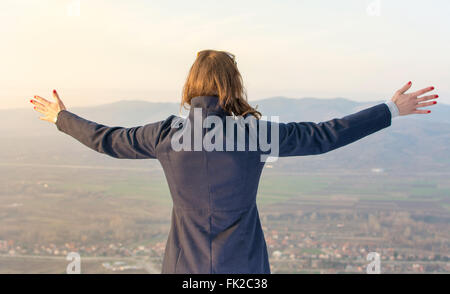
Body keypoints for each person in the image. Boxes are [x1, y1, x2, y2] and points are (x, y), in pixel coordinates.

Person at [29, 49, 438, 273]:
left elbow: (107, 140)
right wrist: (389, 109)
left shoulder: (166, 135)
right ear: (232, 87)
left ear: (191, 86)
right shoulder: (253, 133)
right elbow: (324, 135)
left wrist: (60, 118)